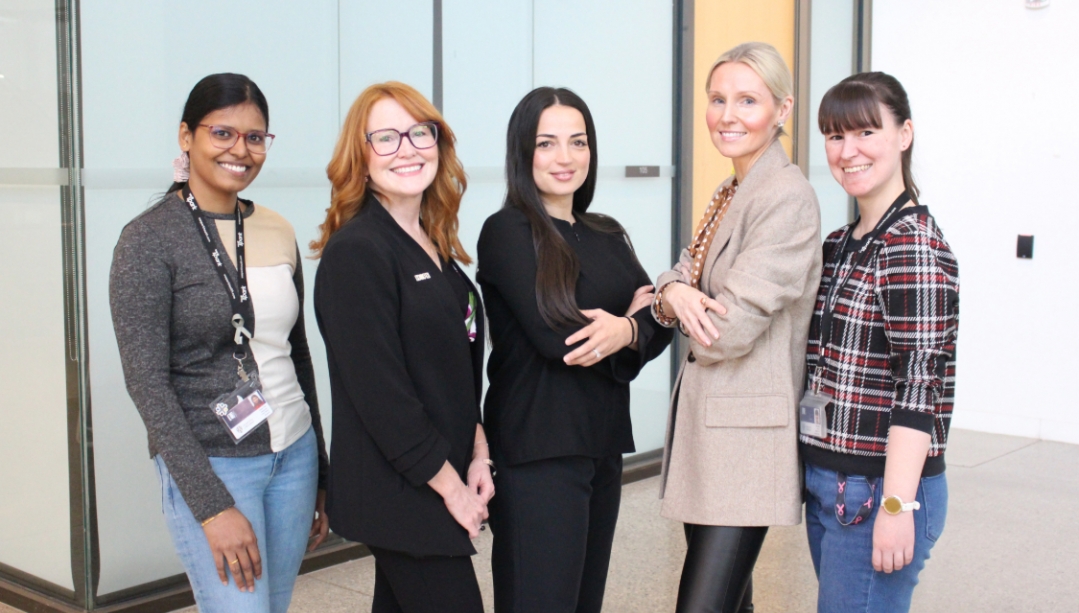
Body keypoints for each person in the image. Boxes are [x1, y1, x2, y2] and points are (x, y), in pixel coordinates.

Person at [110, 73, 330, 613]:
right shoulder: (147, 239)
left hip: (293, 452)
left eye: (255, 137)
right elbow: (147, 383)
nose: (241, 150)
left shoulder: (276, 228)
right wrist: (210, 507)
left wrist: (321, 469)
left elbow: (296, 353)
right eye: (223, 133)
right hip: (215, 461)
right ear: (187, 136)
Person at [477, 86, 674, 613]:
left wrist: (628, 328)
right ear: (523, 153)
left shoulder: (605, 233)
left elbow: (663, 319)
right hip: (537, 449)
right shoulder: (506, 232)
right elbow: (559, 339)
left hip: (601, 442)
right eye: (547, 144)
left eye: (578, 142)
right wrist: (633, 321)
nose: (565, 158)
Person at [649, 42, 822, 613]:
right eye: (718, 99)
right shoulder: (733, 188)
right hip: (711, 433)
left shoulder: (785, 196)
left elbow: (727, 331)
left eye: (747, 100)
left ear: (782, 109)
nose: (728, 115)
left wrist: (672, 296)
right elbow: (681, 270)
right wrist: (675, 291)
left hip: (746, 443)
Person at [311, 81, 492, 613]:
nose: (407, 148)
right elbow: (382, 396)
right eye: (385, 138)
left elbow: (454, 372)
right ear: (360, 158)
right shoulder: (358, 253)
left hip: (435, 476)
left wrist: (478, 453)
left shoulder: (434, 244)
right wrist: (453, 491)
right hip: (404, 491)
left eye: (419, 132)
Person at [801, 71, 959, 613]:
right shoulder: (841, 243)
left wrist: (897, 505)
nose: (848, 151)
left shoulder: (909, 245)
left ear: (904, 134)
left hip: (877, 491)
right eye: (835, 136)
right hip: (834, 483)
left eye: (866, 133)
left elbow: (919, 386)